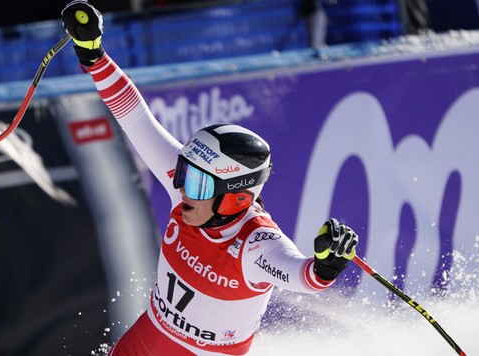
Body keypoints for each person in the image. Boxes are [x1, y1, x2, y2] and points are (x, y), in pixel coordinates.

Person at [61, 1, 359, 354]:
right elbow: (135, 117)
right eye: (184, 173)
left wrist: (328, 263)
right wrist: (95, 58)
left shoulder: (256, 243)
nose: (181, 187)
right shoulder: (186, 189)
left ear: (235, 197)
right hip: (150, 336)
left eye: (198, 184)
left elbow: (303, 276)